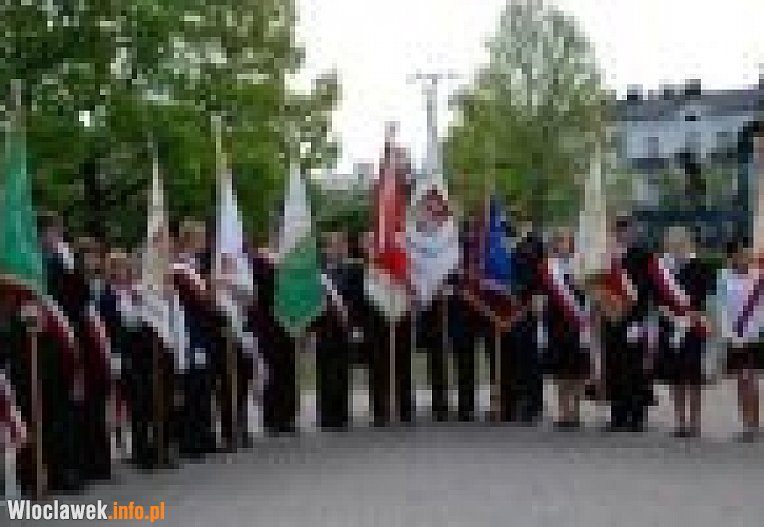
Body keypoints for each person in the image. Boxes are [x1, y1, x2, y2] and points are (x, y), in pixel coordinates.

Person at [651, 227, 714, 437]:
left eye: (680, 243)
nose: (676, 247)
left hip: (694, 326)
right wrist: (671, 316)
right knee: (675, 375)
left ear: (688, 243)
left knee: (693, 376)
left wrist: (693, 317)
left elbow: (706, 298)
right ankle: (680, 422)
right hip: (670, 326)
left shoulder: (701, 267)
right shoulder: (662, 270)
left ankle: (695, 422)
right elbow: (657, 299)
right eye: (672, 243)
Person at [539, 228, 592, 428]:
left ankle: (576, 411)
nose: (563, 244)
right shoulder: (547, 267)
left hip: (578, 322)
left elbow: (589, 293)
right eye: (559, 241)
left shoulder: (581, 266)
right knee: (560, 370)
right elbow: (542, 294)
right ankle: (563, 411)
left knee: (578, 369)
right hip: (556, 322)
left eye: (567, 241)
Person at [172, 220, 217, 457]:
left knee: (203, 385)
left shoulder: (196, 268)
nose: (204, 242)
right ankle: (191, 439)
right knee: (191, 386)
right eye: (201, 238)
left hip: (202, 333)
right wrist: (211, 292)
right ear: (189, 240)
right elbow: (199, 301)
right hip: (189, 333)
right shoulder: (179, 269)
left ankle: (204, 434)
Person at [716, 241, 764, 441]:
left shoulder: (759, 276)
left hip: (754, 336)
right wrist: (729, 334)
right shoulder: (723, 276)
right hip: (734, 336)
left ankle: (755, 424)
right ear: (732, 257)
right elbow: (721, 306)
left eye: (747, 253)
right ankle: (746, 424)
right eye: (742, 254)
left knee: (751, 379)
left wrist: (757, 330)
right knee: (741, 380)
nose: (746, 257)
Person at [314, 231, 353, 429]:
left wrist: (351, 320)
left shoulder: (350, 271)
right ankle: (326, 415)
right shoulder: (317, 274)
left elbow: (355, 299)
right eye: (331, 246)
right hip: (323, 328)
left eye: (339, 245)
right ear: (325, 249)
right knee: (325, 371)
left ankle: (342, 414)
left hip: (342, 327)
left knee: (341, 371)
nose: (335, 249)